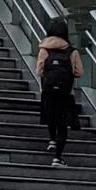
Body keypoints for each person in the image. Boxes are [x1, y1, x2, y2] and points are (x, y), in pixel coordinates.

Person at [36, 16, 82, 163]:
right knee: (62, 123)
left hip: (48, 91)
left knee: (50, 116)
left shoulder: (44, 50)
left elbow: (39, 71)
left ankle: (52, 140)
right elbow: (79, 72)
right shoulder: (72, 51)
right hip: (65, 93)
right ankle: (57, 157)